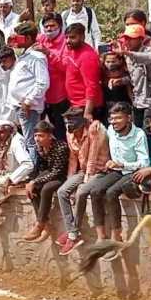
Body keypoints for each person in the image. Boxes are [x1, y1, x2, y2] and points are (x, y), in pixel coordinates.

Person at [55, 108, 111, 254]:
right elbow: (73, 159)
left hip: (100, 170)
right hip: (83, 170)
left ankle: (73, 235)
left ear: (82, 120)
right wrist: (70, 180)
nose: (69, 124)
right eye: (67, 121)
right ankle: (72, 230)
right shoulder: (69, 134)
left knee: (81, 192)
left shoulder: (94, 130)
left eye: (72, 120)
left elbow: (93, 156)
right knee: (62, 191)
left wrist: (86, 179)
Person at [103, 102, 150, 242]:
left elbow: (145, 162)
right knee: (95, 190)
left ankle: (116, 234)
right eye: (111, 119)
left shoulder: (139, 135)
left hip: (131, 171)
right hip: (115, 170)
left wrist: (123, 164)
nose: (114, 122)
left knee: (111, 193)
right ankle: (101, 235)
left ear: (129, 118)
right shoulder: (110, 130)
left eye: (118, 118)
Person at [7, 22, 50, 165]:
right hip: (20, 105)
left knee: (32, 141)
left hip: (28, 106)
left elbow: (42, 83)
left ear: (29, 38)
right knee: (27, 140)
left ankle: (33, 171)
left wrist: (28, 101)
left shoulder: (36, 57)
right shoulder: (24, 55)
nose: (16, 40)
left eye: (20, 37)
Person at [0, 121, 34, 232]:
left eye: (2, 132)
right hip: (4, 174)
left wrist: (11, 179)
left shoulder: (16, 141)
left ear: (10, 132)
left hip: (17, 175)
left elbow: (28, 165)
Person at [23, 121, 69, 242]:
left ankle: (40, 224)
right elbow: (42, 168)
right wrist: (32, 181)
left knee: (46, 189)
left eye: (41, 136)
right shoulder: (39, 147)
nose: (37, 139)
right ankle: (47, 225)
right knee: (31, 188)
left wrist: (35, 181)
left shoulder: (61, 147)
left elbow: (57, 171)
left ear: (50, 135)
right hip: (49, 172)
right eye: (36, 135)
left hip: (62, 175)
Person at [34, 12, 69, 141]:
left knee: (61, 131)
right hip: (43, 96)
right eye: (46, 26)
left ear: (59, 26)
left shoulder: (66, 42)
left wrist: (49, 53)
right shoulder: (42, 39)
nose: (49, 29)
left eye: (52, 25)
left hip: (60, 95)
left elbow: (65, 66)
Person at [116, 24, 151, 131]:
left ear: (140, 39)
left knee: (149, 130)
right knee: (137, 130)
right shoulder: (127, 55)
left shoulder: (147, 50)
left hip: (150, 100)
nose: (127, 41)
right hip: (137, 101)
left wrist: (128, 53)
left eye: (131, 39)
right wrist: (120, 81)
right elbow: (132, 77)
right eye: (126, 39)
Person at [63, 23, 104, 122]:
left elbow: (92, 86)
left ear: (82, 37)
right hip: (75, 104)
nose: (68, 41)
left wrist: (88, 112)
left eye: (72, 37)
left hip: (85, 106)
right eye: (66, 37)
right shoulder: (71, 50)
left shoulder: (87, 57)